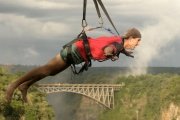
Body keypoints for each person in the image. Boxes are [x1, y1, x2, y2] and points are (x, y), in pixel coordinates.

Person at [5, 28, 141, 103]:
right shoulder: (117, 45)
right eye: (137, 40)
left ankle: (25, 86)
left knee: (51, 72)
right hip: (76, 50)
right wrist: (111, 54)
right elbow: (108, 49)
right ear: (130, 38)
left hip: (78, 54)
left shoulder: (119, 43)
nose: (138, 44)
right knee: (46, 69)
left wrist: (117, 53)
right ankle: (14, 85)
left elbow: (118, 48)